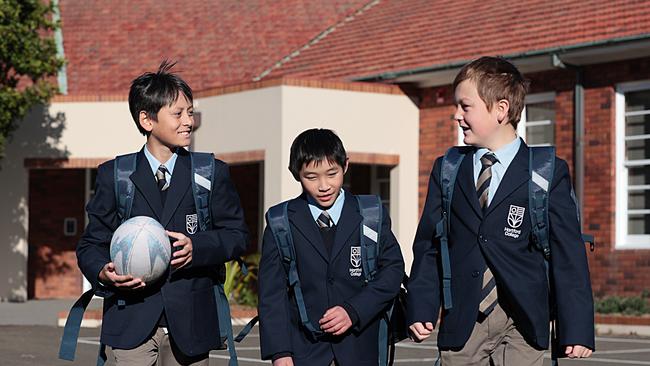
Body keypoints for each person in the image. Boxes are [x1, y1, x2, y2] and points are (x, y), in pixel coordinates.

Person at [407, 56, 595, 366]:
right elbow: (429, 246)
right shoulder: (448, 170)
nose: (457, 115)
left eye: (465, 107)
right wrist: (421, 306)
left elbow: (568, 254)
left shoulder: (546, 172)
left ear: (501, 109)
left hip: (523, 322)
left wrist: (576, 328)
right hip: (464, 323)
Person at [76, 60, 248, 365]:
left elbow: (237, 236)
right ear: (147, 120)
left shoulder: (211, 173)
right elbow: (91, 244)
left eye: (191, 113)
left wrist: (198, 247)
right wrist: (103, 271)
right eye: (178, 114)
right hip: (131, 320)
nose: (188, 122)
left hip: (192, 324)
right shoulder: (114, 175)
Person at [257, 128, 404, 366]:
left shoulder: (370, 214)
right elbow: (271, 294)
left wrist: (354, 311)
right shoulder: (280, 222)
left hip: (361, 347)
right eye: (311, 177)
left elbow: (392, 270)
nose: (324, 185)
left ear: (346, 166)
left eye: (332, 173)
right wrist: (280, 352)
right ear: (296, 174)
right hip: (304, 352)